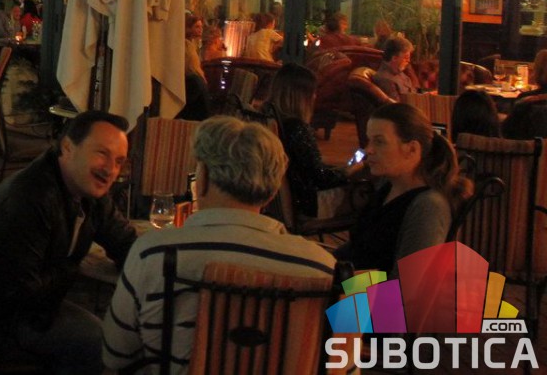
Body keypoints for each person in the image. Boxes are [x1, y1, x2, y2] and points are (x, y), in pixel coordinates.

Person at [102, 116, 336, 375]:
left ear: (201, 180)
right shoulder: (327, 268)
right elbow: (345, 367)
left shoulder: (153, 252)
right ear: (272, 192)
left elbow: (116, 354)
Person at [0, 112, 136, 374]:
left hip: (23, 307)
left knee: (109, 334)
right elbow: (21, 291)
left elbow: (124, 241)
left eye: (119, 161)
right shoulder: (30, 198)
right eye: (102, 153)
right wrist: (72, 268)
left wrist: (156, 262)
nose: (110, 169)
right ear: (68, 147)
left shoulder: (88, 190)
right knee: (98, 342)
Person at [336, 103, 472, 273]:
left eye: (379, 142)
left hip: (361, 290)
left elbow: (408, 285)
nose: (368, 150)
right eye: (369, 141)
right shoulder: (387, 186)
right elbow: (359, 248)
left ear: (412, 149)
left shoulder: (428, 206)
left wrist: (341, 280)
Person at [266, 62, 349, 217]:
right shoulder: (296, 128)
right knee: (366, 190)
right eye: (313, 92)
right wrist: (349, 172)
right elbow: (319, 178)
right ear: (301, 97)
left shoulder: (269, 119)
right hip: (305, 203)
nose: (315, 97)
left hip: (280, 199)